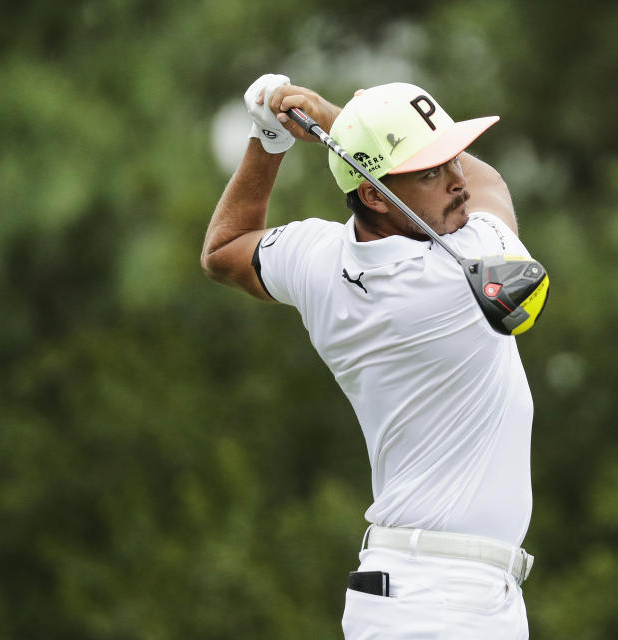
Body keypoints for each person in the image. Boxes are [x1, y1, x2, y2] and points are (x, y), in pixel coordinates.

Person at [201, 74, 537, 639]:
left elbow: (222, 250)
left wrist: (267, 141)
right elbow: (493, 185)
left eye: (453, 159)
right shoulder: (460, 271)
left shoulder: (314, 258)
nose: (457, 180)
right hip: (442, 601)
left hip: (431, 593)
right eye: (431, 171)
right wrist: (335, 118)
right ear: (374, 192)